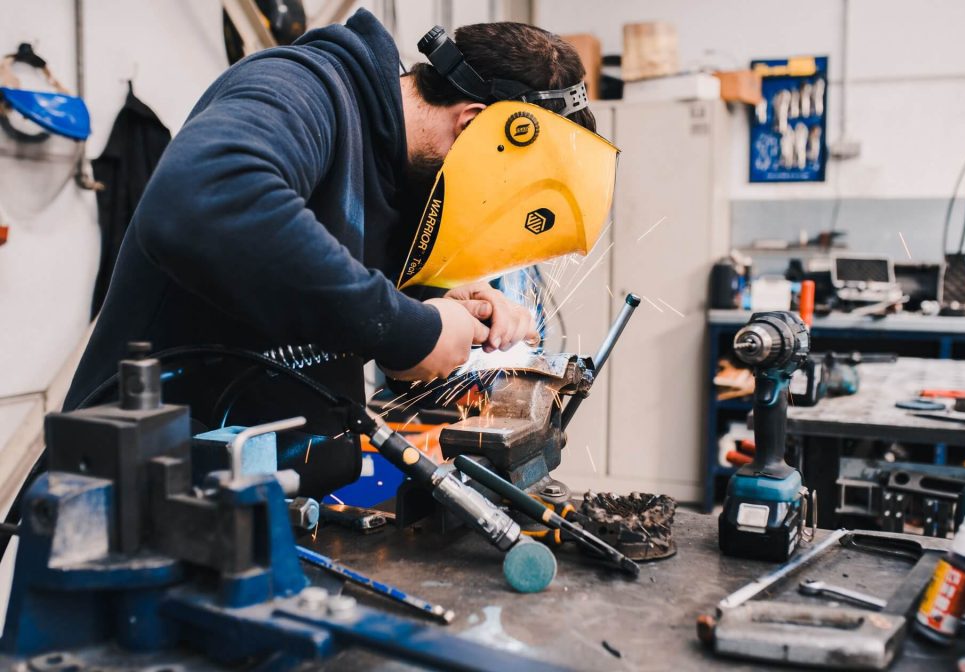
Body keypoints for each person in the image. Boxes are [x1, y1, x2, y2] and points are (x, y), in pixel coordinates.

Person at [64, 9, 598, 414]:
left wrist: (436, 303)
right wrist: (407, 327)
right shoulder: (306, 88)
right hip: (137, 501)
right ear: (472, 125)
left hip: (275, 500)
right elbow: (204, 199)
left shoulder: (405, 178)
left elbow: (337, 292)